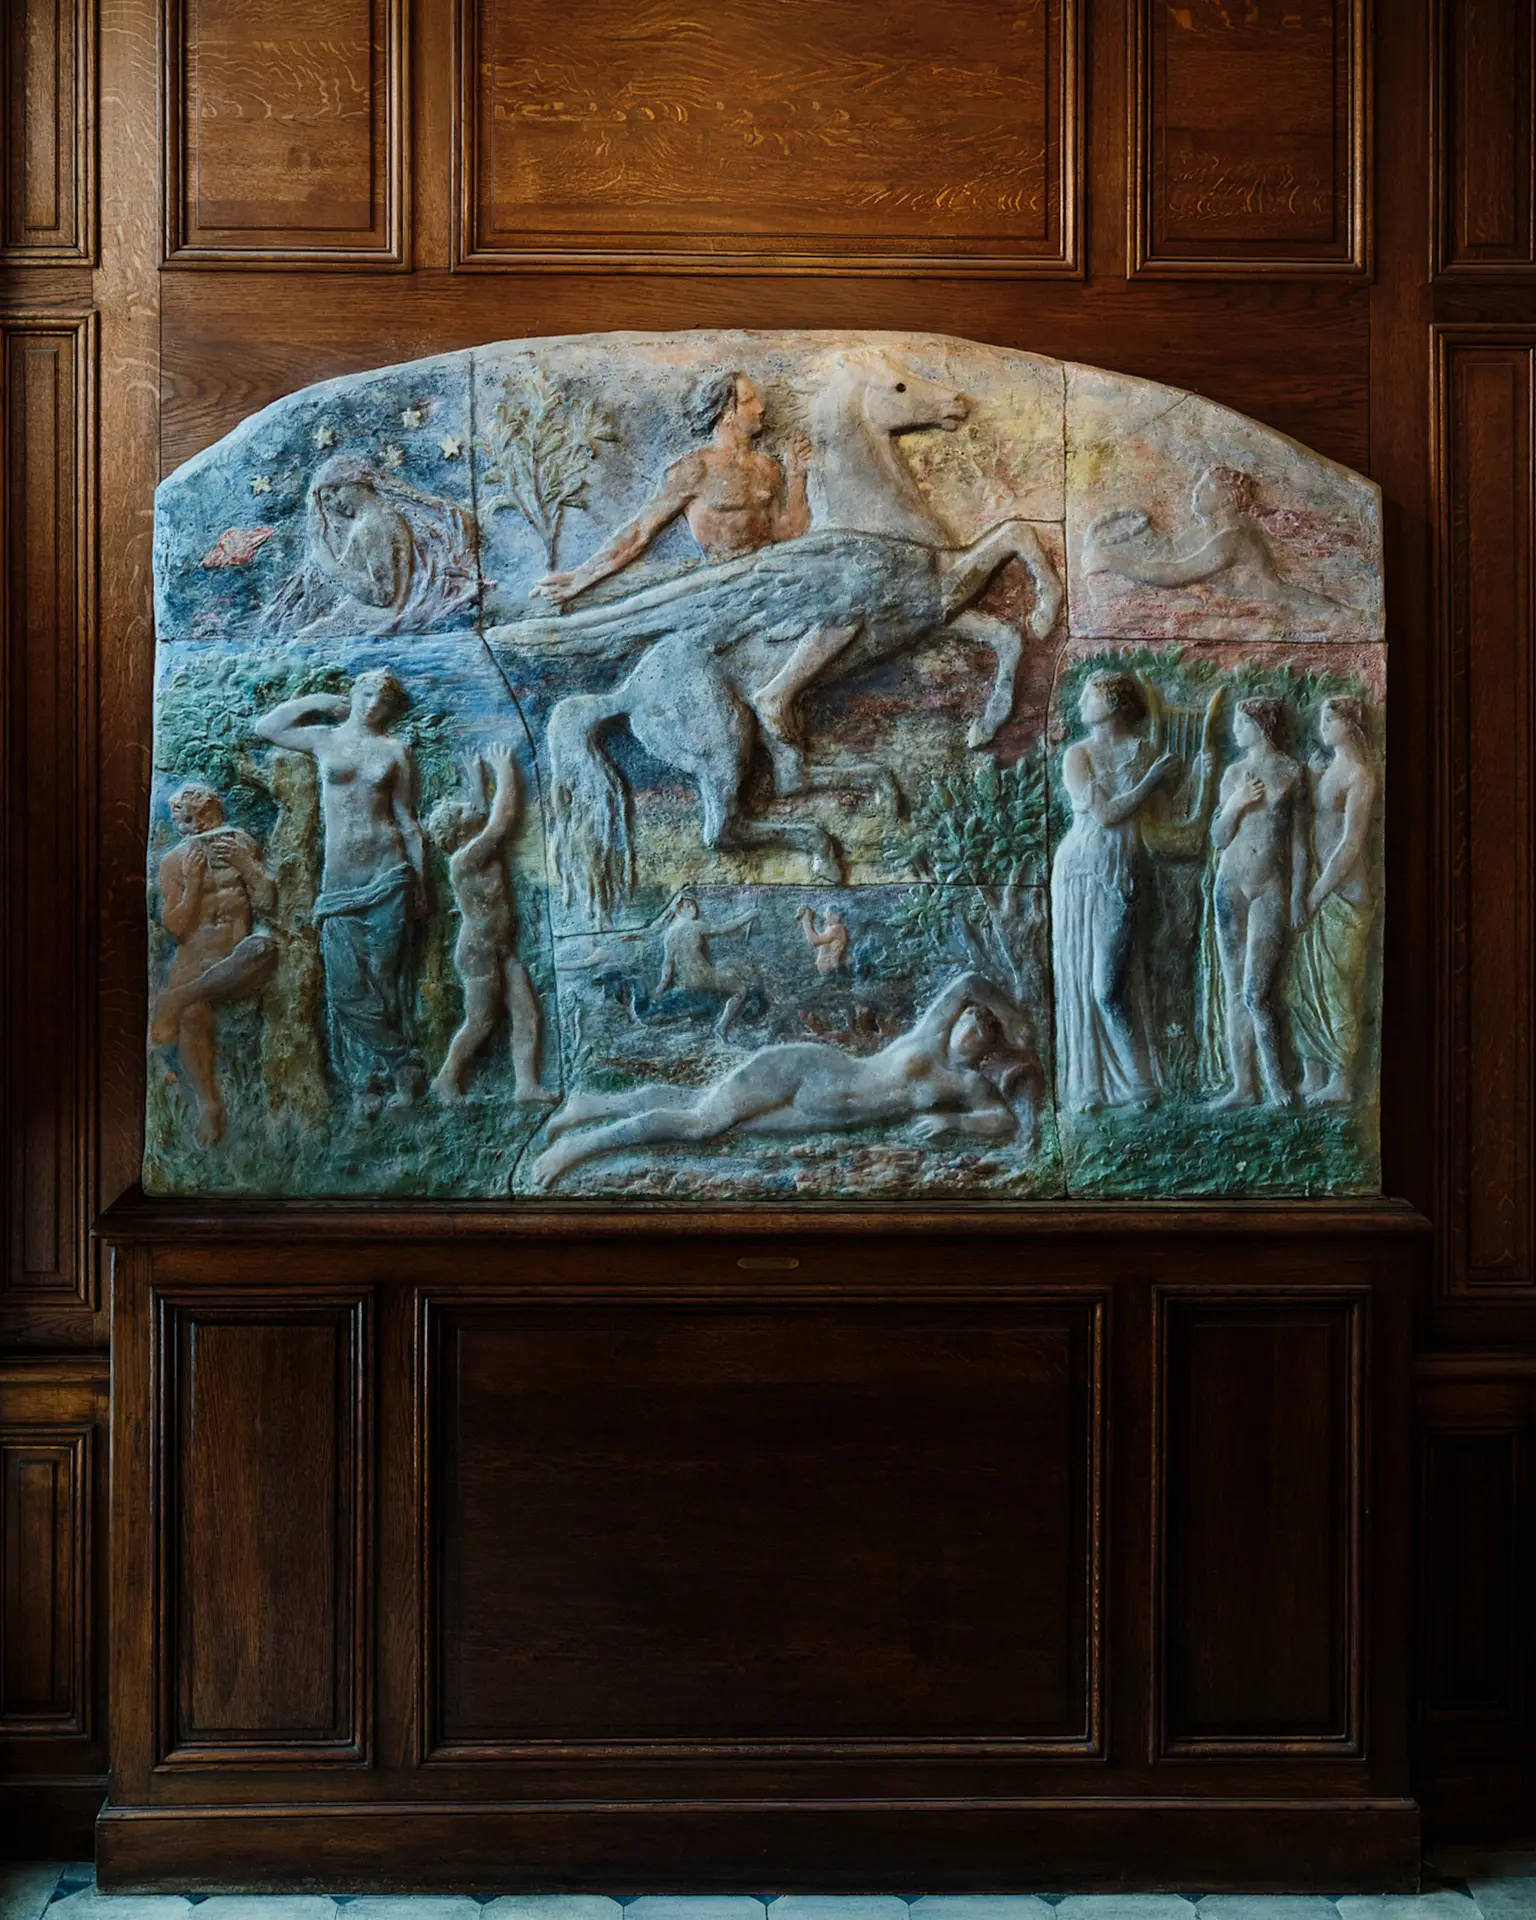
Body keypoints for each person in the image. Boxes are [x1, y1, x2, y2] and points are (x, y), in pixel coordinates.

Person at [531, 369, 850, 757]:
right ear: (727, 412)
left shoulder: (767, 468)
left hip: (769, 570)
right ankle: (778, 696)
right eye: (750, 401)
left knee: (844, 601)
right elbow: (640, 531)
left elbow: (789, 531)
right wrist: (581, 577)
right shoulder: (695, 468)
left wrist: (796, 476)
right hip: (722, 579)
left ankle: (783, 694)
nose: (761, 407)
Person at [532, 970, 1034, 1188]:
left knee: (704, 1110)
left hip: (813, 1116)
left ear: (986, 1049)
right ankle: (580, 1147)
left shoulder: (966, 1086)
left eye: (980, 1035)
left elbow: (1001, 1120)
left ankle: (591, 1105)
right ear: (960, 1020)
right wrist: (1009, 1013)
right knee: (699, 1124)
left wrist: (955, 1125)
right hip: (806, 1071)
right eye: (970, 1022)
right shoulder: (929, 1038)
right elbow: (969, 983)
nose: (969, 1033)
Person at [256, 670, 426, 1114]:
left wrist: (421, 883)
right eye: (366, 693)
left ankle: (385, 1084)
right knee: (345, 986)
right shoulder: (324, 740)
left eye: (383, 702)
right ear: (353, 693)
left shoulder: (395, 750)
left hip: (389, 873)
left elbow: (407, 819)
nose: (372, 706)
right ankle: (390, 1068)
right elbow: (267, 728)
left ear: (391, 710)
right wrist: (316, 698)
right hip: (341, 881)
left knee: (384, 978)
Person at [1051, 671, 1180, 1112]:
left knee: (1108, 984)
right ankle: (1096, 1085)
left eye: (1092, 694)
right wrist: (1150, 784)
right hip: (1080, 871)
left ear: (1114, 701)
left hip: (1122, 870)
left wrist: (1188, 777)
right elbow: (1106, 814)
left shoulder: (1146, 752)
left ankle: (1138, 1080)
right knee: (1086, 982)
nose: (1083, 702)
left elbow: (1167, 818)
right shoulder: (1077, 756)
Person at [151, 784, 278, 1146]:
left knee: (261, 948)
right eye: (189, 820)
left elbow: (268, 901)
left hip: (238, 960)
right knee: (193, 1015)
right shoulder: (173, 862)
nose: (200, 826)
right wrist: (192, 885)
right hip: (195, 961)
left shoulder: (241, 844)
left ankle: (172, 1000)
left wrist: (247, 866)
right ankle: (209, 1105)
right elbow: (175, 927)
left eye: (206, 816)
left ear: (218, 812)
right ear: (179, 825)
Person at [427, 744, 553, 1106]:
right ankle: (446, 1079)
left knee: (526, 1011)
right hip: (478, 952)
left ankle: (526, 1085)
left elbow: (482, 812)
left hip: (500, 947)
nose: (472, 809)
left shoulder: (474, 846)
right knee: (480, 1021)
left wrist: (476, 781)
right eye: (464, 810)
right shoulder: (466, 859)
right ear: (457, 832)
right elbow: (501, 819)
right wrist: (503, 771)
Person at [1083, 465, 1347, 622]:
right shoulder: (1206, 532)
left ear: (1226, 498)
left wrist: (1111, 562)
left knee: (1342, 616)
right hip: (1247, 607)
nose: (1196, 491)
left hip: (1282, 605)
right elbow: (1170, 551)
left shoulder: (1234, 538)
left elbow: (1175, 574)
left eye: (1206, 487)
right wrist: (1140, 532)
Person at [1209, 695, 1308, 1108]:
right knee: (1235, 990)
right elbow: (1218, 837)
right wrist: (1235, 805)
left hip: (1270, 888)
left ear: (1260, 726)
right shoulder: (1234, 773)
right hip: (1230, 884)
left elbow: (1301, 844)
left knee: (1256, 994)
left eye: (1241, 723)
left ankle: (1276, 1081)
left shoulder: (1291, 772)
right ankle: (1243, 1087)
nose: (1235, 731)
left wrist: (1299, 895)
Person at [263, 455, 479, 638]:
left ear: (352, 482)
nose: (334, 505)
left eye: (333, 494)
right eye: (327, 501)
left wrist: (331, 568)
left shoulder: (372, 525)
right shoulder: (380, 519)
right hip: (366, 616)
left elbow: (382, 595)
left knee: (303, 640)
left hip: (375, 619)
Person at [1288, 695, 1378, 1105]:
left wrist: (1317, 891)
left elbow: (1350, 844)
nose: (1322, 725)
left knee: (1337, 984)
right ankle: (1313, 1073)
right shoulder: (1326, 769)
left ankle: (1341, 1082)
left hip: (1342, 891)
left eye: (1330, 718)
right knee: (1303, 983)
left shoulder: (1360, 775)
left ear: (1349, 725)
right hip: (1318, 889)